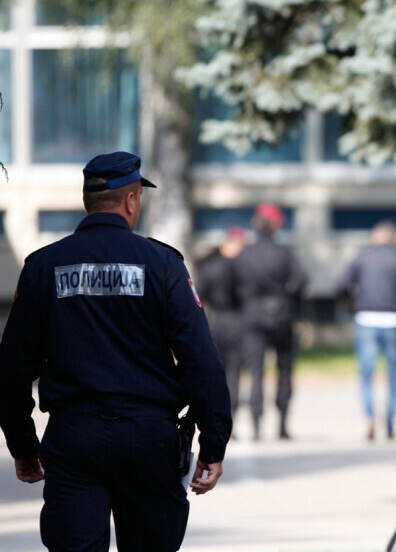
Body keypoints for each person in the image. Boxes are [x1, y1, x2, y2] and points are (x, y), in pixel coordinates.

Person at [0, 151, 232, 551]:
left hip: (75, 439)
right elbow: (200, 360)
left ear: (88, 201)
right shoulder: (162, 264)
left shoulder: (43, 266)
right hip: (149, 439)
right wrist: (214, 444)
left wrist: (23, 445)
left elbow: (12, 368)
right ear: (131, 200)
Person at [335, 221, 396, 441]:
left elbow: (341, 285)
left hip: (366, 318)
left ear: (375, 238)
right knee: (392, 375)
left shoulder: (362, 257)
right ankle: (390, 424)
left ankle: (370, 416)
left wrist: (352, 304)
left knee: (366, 375)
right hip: (394, 318)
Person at [236, 203, 306, 441]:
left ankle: (256, 425)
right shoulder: (284, 252)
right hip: (282, 315)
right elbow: (301, 280)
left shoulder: (245, 254)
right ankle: (283, 426)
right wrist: (291, 303)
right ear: (275, 226)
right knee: (284, 369)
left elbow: (234, 284)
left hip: (253, 315)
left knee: (256, 372)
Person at [197, 227, 247, 434]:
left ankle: (215, 422)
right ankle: (231, 420)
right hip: (236, 321)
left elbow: (198, 297)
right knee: (234, 374)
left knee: (215, 375)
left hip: (215, 322)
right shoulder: (242, 268)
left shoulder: (209, 267)